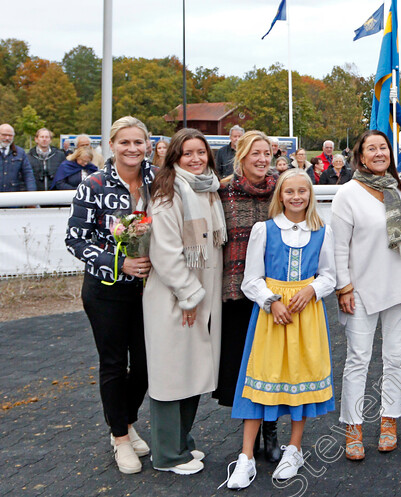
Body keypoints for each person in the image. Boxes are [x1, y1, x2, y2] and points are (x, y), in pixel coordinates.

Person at [224, 169, 336, 488]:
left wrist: (312, 289)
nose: (297, 197)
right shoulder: (265, 229)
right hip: (273, 315)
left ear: (310, 195)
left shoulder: (322, 231)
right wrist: (271, 301)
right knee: (261, 378)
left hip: (305, 315)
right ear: (280, 196)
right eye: (290, 192)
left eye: (303, 191)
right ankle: (246, 456)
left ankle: (295, 448)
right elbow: (250, 279)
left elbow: (330, 275)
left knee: (299, 377)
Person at [65, 115, 155, 475]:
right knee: (115, 363)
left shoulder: (157, 181)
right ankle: (120, 436)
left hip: (150, 290)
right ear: (112, 145)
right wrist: (118, 264)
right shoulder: (94, 184)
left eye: (138, 142)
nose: (132, 149)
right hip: (106, 289)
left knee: (147, 364)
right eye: (125, 142)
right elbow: (75, 239)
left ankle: (127, 420)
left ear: (147, 145)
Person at [143, 128, 225, 475]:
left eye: (201, 152)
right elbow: (166, 252)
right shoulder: (167, 194)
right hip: (175, 297)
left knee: (194, 370)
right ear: (174, 157)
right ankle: (166, 455)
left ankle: (182, 442)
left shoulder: (208, 189)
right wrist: (188, 296)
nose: (195, 159)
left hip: (203, 294)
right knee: (171, 374)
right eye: (187, 153)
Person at [331, 130, 401, 460]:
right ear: (361, 157)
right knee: (358, 359)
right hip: (360, 290)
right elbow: (338, 246)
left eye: (384, 148)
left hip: (400, 286)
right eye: (372, 149)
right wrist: (343, 287)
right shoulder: (347, 194)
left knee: (395, 359)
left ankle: (389, 421)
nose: (379, 153)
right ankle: (353, 427)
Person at [215, 130, 280, 462]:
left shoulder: (280, 191)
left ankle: (272, 432)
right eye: (255, 153)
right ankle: (249, 438)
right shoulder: (222, 191)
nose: (261, 159)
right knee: (243, 368)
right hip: (235, 292)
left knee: (270, 367)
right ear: (241, 156)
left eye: (266, 153)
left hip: (273, 294)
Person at [0, 123, 36, 192]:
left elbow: (28, 174)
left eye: (10, 135)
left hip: (13, 195)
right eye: (4, 135)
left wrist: (32, 194)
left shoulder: (20, 152)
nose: (7, 138)